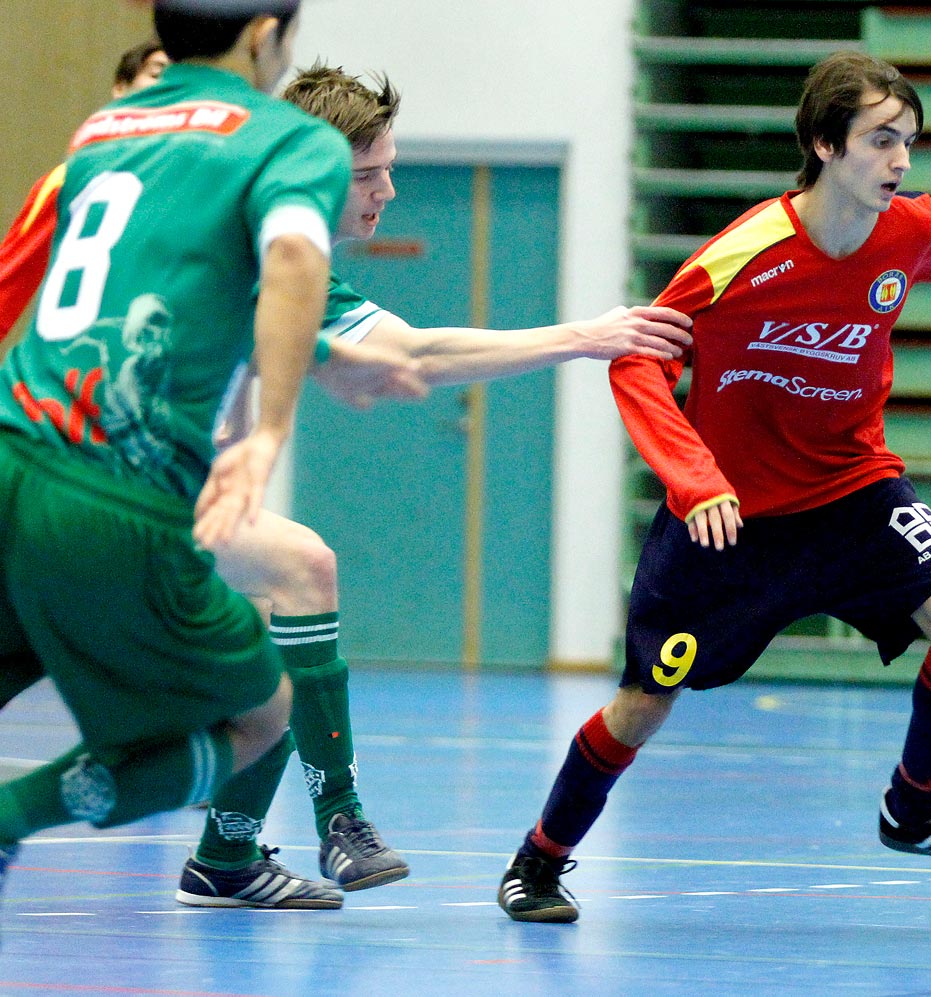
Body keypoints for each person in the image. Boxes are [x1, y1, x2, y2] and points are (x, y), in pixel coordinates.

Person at [497, 50, 931, 923]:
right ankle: (539, 861)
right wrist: (696, 479)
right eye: (882, 141)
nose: (902, 161)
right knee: (644, 706)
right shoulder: (743, 255)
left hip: (853, 492)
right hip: (732, 519)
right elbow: (636, 364)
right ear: (823, 144)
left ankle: (911, 807)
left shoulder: (908, 229)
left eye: (910, 142)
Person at [187, 63, 695, 902]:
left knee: (276, 661)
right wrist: (583, 334)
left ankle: (226, 859)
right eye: (367, 174)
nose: (388, 189)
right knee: (302, 570)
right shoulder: (242, 246)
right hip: (119, 485)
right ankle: (339, 813)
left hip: (172, 496)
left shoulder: (295, 264)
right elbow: (409, 358)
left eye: (389, 166)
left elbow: (411, 349)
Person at [0, 0, 352, 915]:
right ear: (265, 33)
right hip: (110, 489)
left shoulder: (108, 127)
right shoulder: (289, 140)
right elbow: (292, 263)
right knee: (260, 712)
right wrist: (269, 427)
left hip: (10, 448)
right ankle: (12, 815)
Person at [0, 41, 170, 347]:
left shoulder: (201, 183)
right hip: (73, 372)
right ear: (120, 89)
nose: (170, 87)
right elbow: (7, 287)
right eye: (157, 74)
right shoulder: (69, 182)